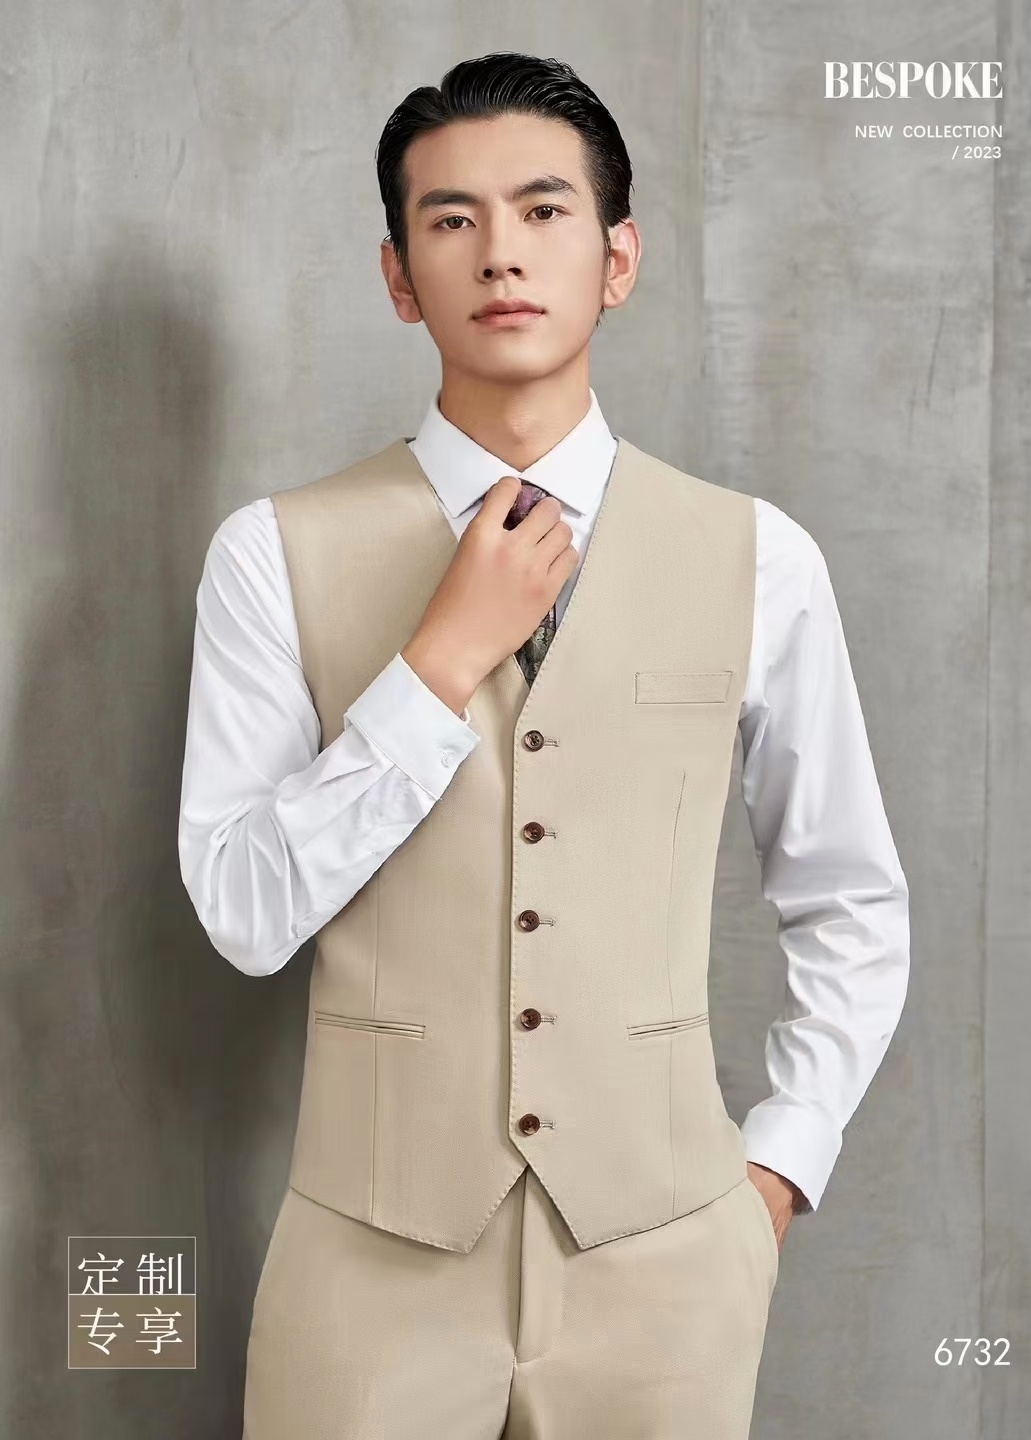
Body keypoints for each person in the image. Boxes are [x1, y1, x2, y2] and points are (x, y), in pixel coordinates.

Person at [178, 50, 910, 1440]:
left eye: (544, 210)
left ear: (617, 258)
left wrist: (775, 1174)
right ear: (399, 276)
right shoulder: (272, 554)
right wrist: (437, 663)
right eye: (450, 219)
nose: (499, 253)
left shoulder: (763, 558)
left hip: (669, 1257)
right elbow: (242, 913)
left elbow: (850, 897)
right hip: (367, 1263)